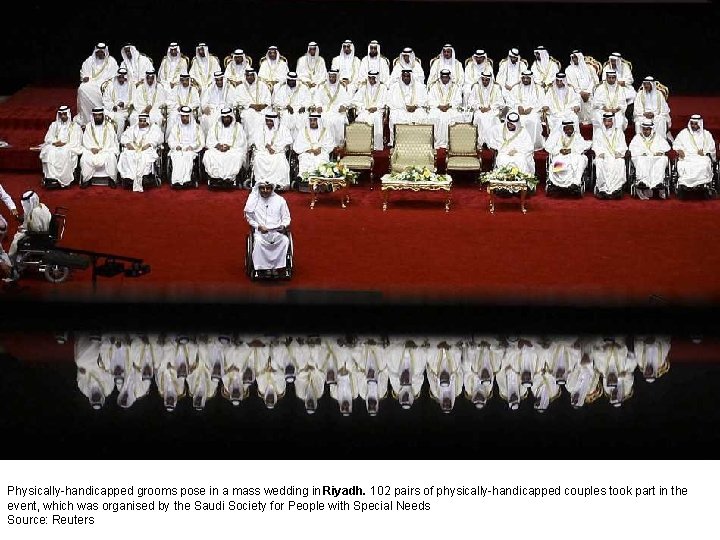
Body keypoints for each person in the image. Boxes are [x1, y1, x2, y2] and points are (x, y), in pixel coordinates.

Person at [244, 179, 291, 277]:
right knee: (259, 242)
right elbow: (249, 218)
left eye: (268, 188)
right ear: (259, 189)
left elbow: (286, 217)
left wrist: (283, 226)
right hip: (260, 233)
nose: (265, 190)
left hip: (277, 232)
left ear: (272, 189)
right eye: (262, 188)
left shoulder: (280, 200)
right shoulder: (253, 201)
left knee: (285, 241)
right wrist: (258, 226)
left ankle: (276, 267)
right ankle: (263, 268)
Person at [117, 113, 164, 192]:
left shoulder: (154, 128)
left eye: (144, 121)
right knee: (126, 155)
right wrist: (127, 143)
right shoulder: (133, 128)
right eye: (140, 121)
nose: (142, 123)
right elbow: (124, 137)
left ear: (148, 121)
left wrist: (149, 144)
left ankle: (144, 176)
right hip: (134, 148)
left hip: (146, 149)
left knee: (144, 156)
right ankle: (129, 177)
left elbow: (158, 139)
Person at [39, 105, 83, 188]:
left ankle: (64, 180)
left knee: (64, 152)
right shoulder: (54, 125)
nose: (63, 116)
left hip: (68, 146)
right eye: (61, 114)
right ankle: (51, 178)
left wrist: (64, 144)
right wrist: (55, 142)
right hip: (55, 146)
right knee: (49, 151)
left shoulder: (75, 127)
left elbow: (76, 141)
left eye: (64, 114)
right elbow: (48, 137)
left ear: (68, 114)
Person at [544, 118, 591, 195]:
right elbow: (548, 147)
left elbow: (583, 146)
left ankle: (575, 183)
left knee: (580, 160)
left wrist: (571, 150)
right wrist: (560, 150)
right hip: (560, 155)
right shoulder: (557, 136)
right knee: (558, 162)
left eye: (571, 129)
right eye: (567, 129)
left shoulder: (577, 136)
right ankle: (556, 183)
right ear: (563, 129)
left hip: (573, 155)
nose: (569, 131)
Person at [673, 114, 717, 196]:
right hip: (687, 156)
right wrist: (679, 150)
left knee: (705, 163)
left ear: (700, 124)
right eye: (692, 123)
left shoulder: (706, 134)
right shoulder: (684, 133)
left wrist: (705, 152)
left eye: (695, 124)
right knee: (682, 164)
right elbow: (676, 144)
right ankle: (685, 184)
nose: (693, 126)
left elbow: (712, 148)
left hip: (701, 157)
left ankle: (702, 184)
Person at [203, 108, 247, 187]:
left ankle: (230, 179)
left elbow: (241, 142)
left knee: (236, 156)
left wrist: (228, 147)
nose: (226, 119)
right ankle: (216, 178)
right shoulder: (215, 126)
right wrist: (218, 145)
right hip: (217, 149)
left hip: (233, 149)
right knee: (208, 154)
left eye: (227, 117)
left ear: (231, 117)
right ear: (221, 117)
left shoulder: (238, 127)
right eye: (224, 117)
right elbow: (210, 140)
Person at [77, 43, 119, 126]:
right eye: (98, 52)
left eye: (102, 52)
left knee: (107, 89)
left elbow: (115, 76)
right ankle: (87, 117)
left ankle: (103, 114)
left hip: (105, 84)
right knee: (82, 88)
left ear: (105, 52)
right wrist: (84, 77)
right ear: (95, 52)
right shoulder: (89, 60)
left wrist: (107, 82)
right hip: (91, 83)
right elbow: (83, 72)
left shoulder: (111, 61)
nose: (100, 54)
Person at [629, 120, 671, 199]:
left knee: (662, 159)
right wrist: (642, 153)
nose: (645, 131)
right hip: (642, 157)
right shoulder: (638, 137)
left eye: (647, 129)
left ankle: (658, 183)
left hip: (656, 158)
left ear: (651, 129)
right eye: (644, 129)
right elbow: (632, 149)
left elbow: (666, 148)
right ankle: (643, 182)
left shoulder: (658, 137)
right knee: (641, 160)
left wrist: (660, 152)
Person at [251, 113, 293, 190]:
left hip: (278, 152)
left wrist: (276, 148)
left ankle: (278, 183)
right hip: (263, 151)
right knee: (258, 159)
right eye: (267, 121)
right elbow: (256, 140)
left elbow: (288, 140)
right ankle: (261, 181)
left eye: (271, 121)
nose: (269, 123)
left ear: (275, 121)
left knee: (280, 161)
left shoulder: (283, 128)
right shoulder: (261, 128)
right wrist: (266, 147)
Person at [79, 107, 119, 188]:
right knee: (85, 158)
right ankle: (87, 179)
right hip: (92, 150)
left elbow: (112, 141)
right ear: (93, 116)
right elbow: (85, 140)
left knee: (111, 157)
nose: (97, 117)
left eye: (99, 115)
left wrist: (103, 149)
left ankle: (111, 179)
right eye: (95, 116)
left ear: (102, 115)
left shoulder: (109, 126)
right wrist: (91, 148)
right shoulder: (88, 126)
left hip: (106, 150)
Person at [387, 69, 428, 146]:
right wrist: (404, 107)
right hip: (400, 109)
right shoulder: (394, 87)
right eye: (404, 76)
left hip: (416, 109)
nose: (406, 78)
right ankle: (398, 143)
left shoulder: (419, 86)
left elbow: (425, 100)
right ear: (401, 76)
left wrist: (415, 106)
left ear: (411, 77)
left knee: (422, 116)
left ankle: (420, 143)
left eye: (408, 76)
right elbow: (390, 102)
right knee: (395, 117)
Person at [7, 190, 52, 262]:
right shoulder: (42, 206)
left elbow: (34, 229)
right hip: (46, 234)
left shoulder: (34, 213)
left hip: (38, 237)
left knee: (16, 240)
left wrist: (24, 231)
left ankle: (11, 260)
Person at [591, 112, 628, 199]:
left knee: (620, 162)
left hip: (615, 156)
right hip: (603, 156)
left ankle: (617, 189)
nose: (607, 123)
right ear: (603, 121)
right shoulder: (598, 132)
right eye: (605, 121)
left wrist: (619, 152)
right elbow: (595, 145)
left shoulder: (619, 132)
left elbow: (622, 144)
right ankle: (602, 189)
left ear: (613, 121)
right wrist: (600, 153)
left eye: (609, 121)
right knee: (600, 162)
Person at [167, 106, 204, 188]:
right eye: (183, 116)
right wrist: (176, 146)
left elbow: (201, 141)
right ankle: (176, 181)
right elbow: (171, 140)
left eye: (186, 116)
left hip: (191, 149)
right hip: (178, 149)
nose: (184, 118)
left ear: (190, 116)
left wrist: (192, 147)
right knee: (177, 156)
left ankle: (187, 180)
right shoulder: (176, 127)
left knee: (188, 156)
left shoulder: (197, 127)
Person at [312, 69, 350, 148]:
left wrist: (344, 106)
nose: (332, 79)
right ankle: (321, 144)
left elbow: (347, 100)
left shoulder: (341, 88)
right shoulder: (322, 86)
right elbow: (316, 98)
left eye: (333, 77)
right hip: (324, 110)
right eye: (330, 77)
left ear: (336, 77)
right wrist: (318, 105)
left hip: (337, 111)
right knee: (317, 118)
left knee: (338, 121)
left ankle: (338, 145)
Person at [427, 69, 463, 149]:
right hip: (437, 108)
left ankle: (451, 142)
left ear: (449, 77)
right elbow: (430, 100)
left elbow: (458, 100)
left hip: (451, 108)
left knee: (452, 117)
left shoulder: (455, 87)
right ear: (440, 77)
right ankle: (437, 141)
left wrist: (449, 106)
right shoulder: (434, 86)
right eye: (443, 77)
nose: (445, 79)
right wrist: (439, 106)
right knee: (435, 117)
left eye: (446, 78)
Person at [352, 71, 388, 151]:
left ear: (377, 78)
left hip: (377, 111)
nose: (371, 80)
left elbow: (385, 101)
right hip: (365, 110)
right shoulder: (363, 87)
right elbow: (355, 100)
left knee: (377, 119)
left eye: (373, 78)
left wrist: (376, 108)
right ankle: (361, 145)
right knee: (359, 119)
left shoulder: (383, 88)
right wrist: (364, 107)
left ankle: (377, 146)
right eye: (370, 78)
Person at [508, 69, 544, 150]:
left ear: (531, 78)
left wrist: (531, 108)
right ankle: (514, 143)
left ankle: (532, 144)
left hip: (533, 111)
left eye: (527, 78)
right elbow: (510, 99)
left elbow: (542, 101)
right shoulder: (516, 88)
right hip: (517, 110)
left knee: (534, 120)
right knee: (513, 118)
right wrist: (518, 106)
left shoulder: (538, 89)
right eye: (523, 78)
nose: (525, 80)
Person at [468, 71, 504, 148]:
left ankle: (491, 141)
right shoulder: (476, 87)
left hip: (492, 110)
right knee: (481, 118)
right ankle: (482, 142)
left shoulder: (496, 88)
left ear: (490, 80)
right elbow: (470, 101)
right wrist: (479, 106)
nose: (484, 81)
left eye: (487, 80)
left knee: (491, 118)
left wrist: (490, 107)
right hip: (479, 110)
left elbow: (501, 102)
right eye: (483, 79)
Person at [235, 68, 272, 143]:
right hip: (248, 109)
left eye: (251, 75)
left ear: (255, 76)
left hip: (262, 109)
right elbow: (238, 100)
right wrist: (251, 105)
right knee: (248, 116)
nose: (249, 77)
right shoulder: (240, 87)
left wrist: (263, 106)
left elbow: (268, 98)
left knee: (262, 118)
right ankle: (250, 142)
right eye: (247, 76)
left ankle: (261, 142)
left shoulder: (262, 85)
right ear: (245, 76)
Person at [293, 113, 335, 179]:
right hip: (307, 153)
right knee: (304, 159)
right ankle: (303, 180)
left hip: (321, 153)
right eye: (311, 120)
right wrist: (308, 150)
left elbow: (330, 144)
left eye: (314, 120)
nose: (312, 122)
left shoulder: (325, 131)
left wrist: (321, 149)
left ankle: (320, 181)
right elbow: (298, 145)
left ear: (319, 121)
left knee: (321, 160)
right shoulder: (303, 131)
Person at [272, 71, 311, 138]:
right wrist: (286, 105)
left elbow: (309, 100)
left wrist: (304, 107)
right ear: (287, 80)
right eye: (290, 80)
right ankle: (287, 143)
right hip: (287, 110)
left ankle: (300, 142)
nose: (291, 82)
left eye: (293, 81)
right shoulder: (282, 89)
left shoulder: (303, 88)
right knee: (286, 117)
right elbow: (276, 101)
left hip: (300, 110)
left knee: (302, 117)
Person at [565, 50, 598, 126]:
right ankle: (580, 120)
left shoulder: (590, 68)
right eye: (572, 58)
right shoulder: (569, 70)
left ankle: (590, 120)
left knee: (593, 99)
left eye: (575, 57)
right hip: (576, 93)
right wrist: (580, 92)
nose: (574, 59)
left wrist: (588, 92)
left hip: (590, 92)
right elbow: (570, 84)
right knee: (577, 98)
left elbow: (594, 81)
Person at [102, 67, 133, 140]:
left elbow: (134, 99)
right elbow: (105, 99)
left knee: (120, 120)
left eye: (123, 77)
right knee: (101, 113)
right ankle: (106, 140)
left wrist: (125, 104)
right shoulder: (110, 86)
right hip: (112, 109)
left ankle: (118, 141)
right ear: (117, 76)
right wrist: (112, 106)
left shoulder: (131, 86)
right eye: (120, 77)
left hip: (125, 110)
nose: (121, 79)